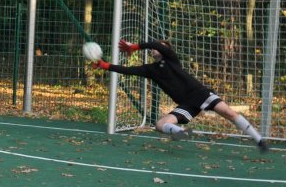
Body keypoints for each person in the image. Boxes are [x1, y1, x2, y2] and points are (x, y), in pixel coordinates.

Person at [93, 38, 267, 150]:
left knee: (229, 113)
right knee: (160, 125)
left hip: (200, 93)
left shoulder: (171, 59)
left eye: (161, 46)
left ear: (166, 50)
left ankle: (259, 140)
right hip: (186, 104)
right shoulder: (151, 69)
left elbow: (154, 43)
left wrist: (135, 46)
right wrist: (104, 65)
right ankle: (181, 133)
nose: (155, 49)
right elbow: (127, 70)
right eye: (155, 48)